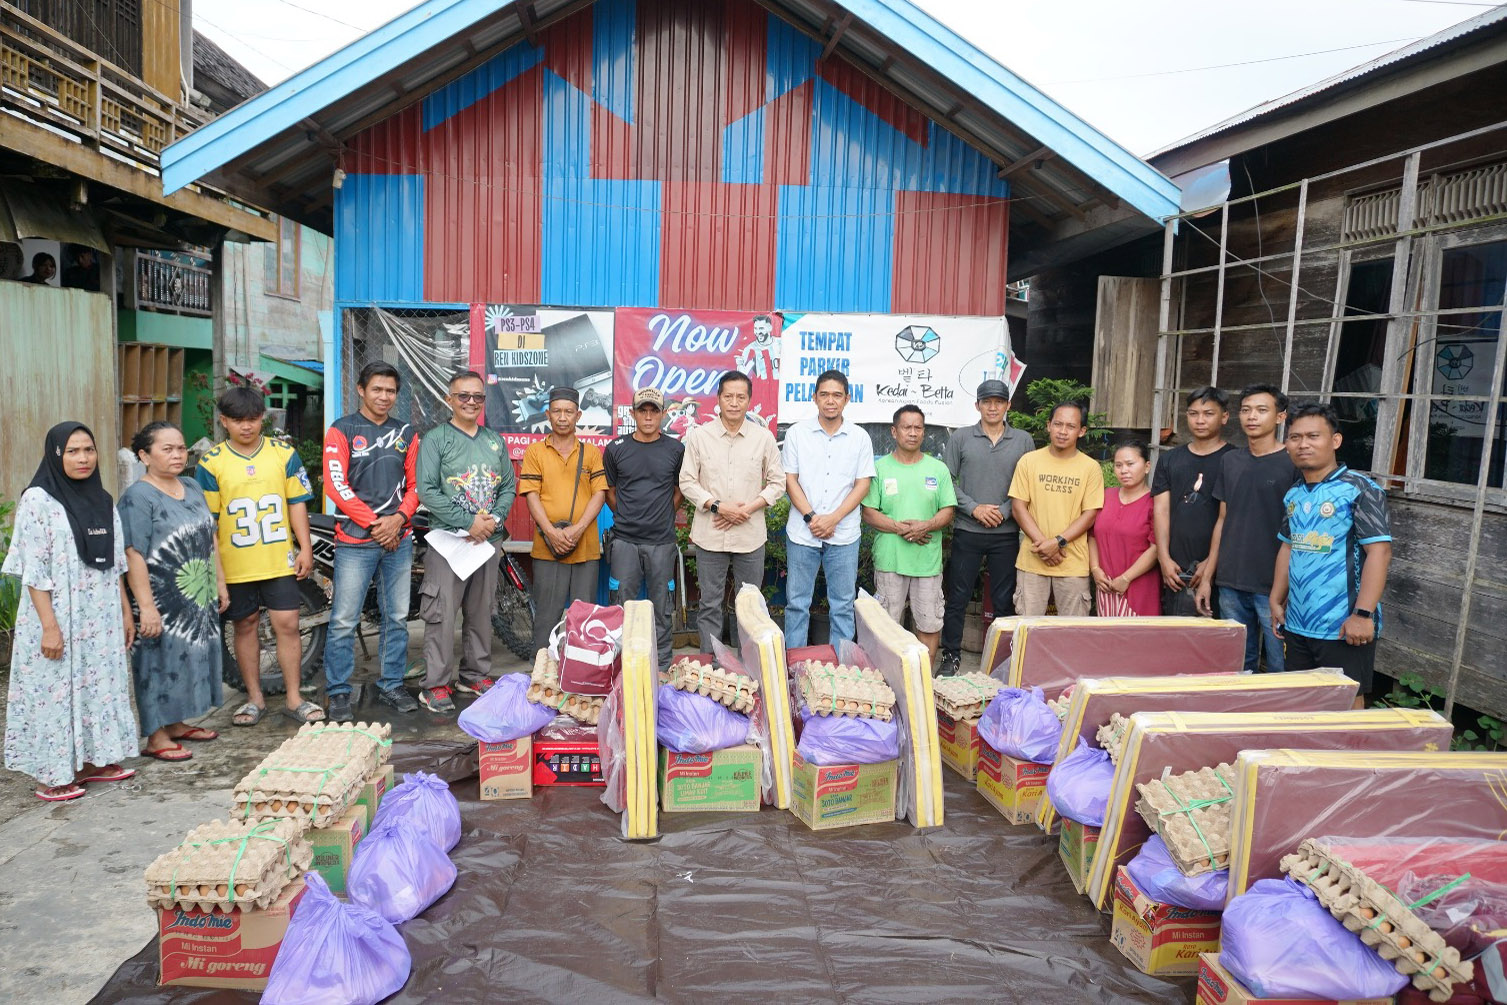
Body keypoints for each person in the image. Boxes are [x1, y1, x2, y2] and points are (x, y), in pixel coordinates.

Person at [4, 422, 137, 801]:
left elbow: (115, 563)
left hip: (99, 615)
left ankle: (94, 761)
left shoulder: (102, 499)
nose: (83, 459)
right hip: (56, 613)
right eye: (73, 451)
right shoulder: (38, 500)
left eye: (89, 450)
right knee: (56, 689)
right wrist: (49, 626)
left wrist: (125, 612)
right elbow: (35, 569)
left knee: (98, 683)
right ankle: (53, 774)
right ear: (55, 455)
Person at [197, 386, 324, 725]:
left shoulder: (283, 454)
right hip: (237, 564)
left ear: (263, 419)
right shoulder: (210, 463)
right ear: (224, 421)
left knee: (288, 624)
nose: (246, 427)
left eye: (253, 419)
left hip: (278, 560)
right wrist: (219, 576)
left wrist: (305, 548)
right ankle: (254, 699)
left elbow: (297, 503)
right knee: (245, 624)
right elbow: (209, 524)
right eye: (238, 421)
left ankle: (295, 697)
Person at [119, 422, 228, 762]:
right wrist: (146, 607)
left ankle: (177, 723)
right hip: (159, 598)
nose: (178, 454)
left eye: (180, 448)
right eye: (167, 449)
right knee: (156, 664)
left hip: (196, 593)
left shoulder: (192, 486)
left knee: (189, 661)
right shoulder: (137, 497)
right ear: (144, 455)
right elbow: (132, 552)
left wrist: (220, 583)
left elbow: (210, 537)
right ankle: (155, 735)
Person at [1271, 402, 1392, 707]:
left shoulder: (1360, 489)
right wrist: (1275, 598)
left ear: (1335, 441)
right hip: (1297, 623)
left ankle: (1348, 756)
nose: (1303, 444)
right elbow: (1289, 545)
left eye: (1313, 436)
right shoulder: (1294, 493)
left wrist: (1363, 615)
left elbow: (1380, 552)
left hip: (1343, 626)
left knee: (1347, 701)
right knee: (1299, 700)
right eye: (1295, 437)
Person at [322, 361, 421, 721]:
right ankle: (338, 692)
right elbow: (336, 485)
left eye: (391, 391)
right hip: (354, 540)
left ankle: (392, 683)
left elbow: (417, 486)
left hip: (399, 538)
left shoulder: (406, 433)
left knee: (396, 617)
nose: (384, 396)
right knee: (345, 619)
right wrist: (376, 524)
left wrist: (396, 522)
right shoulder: (342, 430)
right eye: (377, 389)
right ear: (361, 390)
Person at [415, 370, 517, 714]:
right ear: (449, 399)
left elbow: (508, 487)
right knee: (441, 613)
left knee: (481, 612)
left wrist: (494, 521)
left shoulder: (494, 441)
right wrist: (467, 522)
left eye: (477, 397)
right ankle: (435, 684)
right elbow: (427, 491)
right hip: (449, 541)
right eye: (463, 396)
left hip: (487, 542)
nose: (471, 402)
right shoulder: (436, 439)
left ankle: (474, 675)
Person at [678, 370, 785, 652]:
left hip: (749, 535)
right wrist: (718, 507)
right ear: (719, 400)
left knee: (749, 605)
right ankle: (711, 668)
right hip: (710, 534)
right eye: (729, 396)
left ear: (749, 401)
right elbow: (687, 481)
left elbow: (778, 483)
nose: (734, 403)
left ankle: (747, 666)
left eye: (741, 397)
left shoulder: (763, 438)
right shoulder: (700, 437)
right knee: (709, 603)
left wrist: (746, 509)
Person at [1197, 384, 1297, 673]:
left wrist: (1287, 586)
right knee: (1239, 665)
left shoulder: (1291, 462)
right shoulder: (1231, 460)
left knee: (1280, 664)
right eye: (1246, 410)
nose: (1252, 417)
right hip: (1231, 580)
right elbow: (1222, 520)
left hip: (1273, 585)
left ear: (1280, 417)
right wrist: (1208, 577)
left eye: (1262, 410)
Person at [938, 379, 1035, 675]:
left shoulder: (1023, 441)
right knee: (958, 596)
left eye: (998, 402)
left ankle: (1002, 661)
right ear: (977, 405)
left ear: (1008, 406)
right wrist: (973, 508)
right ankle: (951, 655)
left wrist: (1005, 512)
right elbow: (947, 480)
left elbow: (1028, 484)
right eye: (986, 402)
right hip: (968, 530)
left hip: (1005, 534)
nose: (992, 407)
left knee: (1004, 601)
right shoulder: (962, 438)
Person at [782, 370, 875, 648]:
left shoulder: (860, 437)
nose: (830, 401)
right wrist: (812, 518)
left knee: (843, 606)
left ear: (847, 398)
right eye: (824, 394)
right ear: (815, 398)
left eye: (837, 395)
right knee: (797, 604)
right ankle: (792, 668)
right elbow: (790, 480)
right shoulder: (798, 433)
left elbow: (862, 485)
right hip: (802, 532)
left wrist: (833, 519)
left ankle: (839, 672)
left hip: (844, 534)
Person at [861, 405, 956, 665]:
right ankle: (889, 682)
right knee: (886, 626)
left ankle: (922, 681)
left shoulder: (938, 469)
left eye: (918, 428)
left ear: (923, 432)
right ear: (894, 431)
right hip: (890, 560)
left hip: (926, 562)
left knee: (929, 622)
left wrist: (925, 525)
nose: (912, 433)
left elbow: (948, 511)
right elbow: (868, 512)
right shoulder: (879, 469)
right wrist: (903, 529)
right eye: (906, 427)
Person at [521, 386, 608, 654]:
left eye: (568, 412)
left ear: (578, 415)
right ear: (547, 414)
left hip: (585, 547)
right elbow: (531, 494)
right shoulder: (535, 452)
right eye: (556, 411)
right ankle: (540, 673)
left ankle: (581, 675)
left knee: (583, 619)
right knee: (546, 618)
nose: (562, 417)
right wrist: (550, 532)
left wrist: (578, 529)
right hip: (548, 548)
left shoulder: (591, 453)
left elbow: (600, 493)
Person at [604, 386, 684, 670]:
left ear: (663, 414)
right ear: (632, 413)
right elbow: (610, 492)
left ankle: (661, 665)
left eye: (654, 411)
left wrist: (661, 516)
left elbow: (679, 491)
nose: (648, 417)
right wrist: (627, 516)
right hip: (624, 541)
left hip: (661, 542)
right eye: (643, 411)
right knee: (620, 605)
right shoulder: (616, 449)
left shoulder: (676, 450)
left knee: (662, 608)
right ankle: (619, 665)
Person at [1008, 401, 1105, 617]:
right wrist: (1045, 545)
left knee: (1072, 634)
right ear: (1048, 425)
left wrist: (1058, 542)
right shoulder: (1028, 461)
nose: (1062, 431)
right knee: (1027, 630)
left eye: (1070, 426)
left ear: (1082, 431)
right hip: (1032, 561)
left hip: (1073, 563)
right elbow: (1018, 507)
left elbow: (1090, 515)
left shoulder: (1090, 468)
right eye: (1058, 424)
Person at [1152, 387, 1234, 617]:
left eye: (1208, 414)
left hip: (1221, 568)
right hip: (1176, 568)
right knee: (1176, 638)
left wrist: (1210, 563)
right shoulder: (1169, 460)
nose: (1200, 420)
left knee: (1216, 640)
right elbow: (1161, 510)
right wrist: (1164, 558)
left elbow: (1230, 518)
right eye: (1193, 413)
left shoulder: (1234, 460)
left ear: (1224, 417)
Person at [1090, 441, 1160, 617]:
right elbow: (1092, 536)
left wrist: (1126, 578)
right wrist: (1095, 569)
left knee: (1137, 639)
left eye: (1130, 464)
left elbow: (1156, 547)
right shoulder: (1106, 496)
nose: (1124, 470)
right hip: (1105, 586)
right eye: (1118, 465)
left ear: (1147, 466)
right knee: (1107, 640)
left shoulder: (1155, 502)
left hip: (1139, 587)